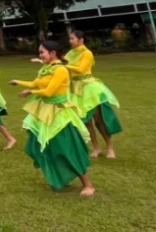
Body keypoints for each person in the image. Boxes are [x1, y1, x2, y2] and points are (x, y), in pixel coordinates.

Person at [11, 40, 96, 196]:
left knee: (66, 148)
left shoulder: (61, 70)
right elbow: (35, 83)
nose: (40, 55)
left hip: (59, 114)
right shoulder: (47, 68)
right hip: (46, 112)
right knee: (49, 147)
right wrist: (19, 82)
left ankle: (87, 184)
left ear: (53, 53)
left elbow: (49, 92)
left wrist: (30, 92)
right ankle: (59, 177)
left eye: (42, 52)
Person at [63, 30, 122, 158]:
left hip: (89, 88)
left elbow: (80, 69)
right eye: (70, 38)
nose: (70, 41)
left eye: (72, 38)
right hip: (76, 89)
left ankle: (110, 147)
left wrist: (64, 65)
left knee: (99, 120)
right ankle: (96, 148)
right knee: (86, 122)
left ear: (81, 39)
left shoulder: (87, 53)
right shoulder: (70, 54)